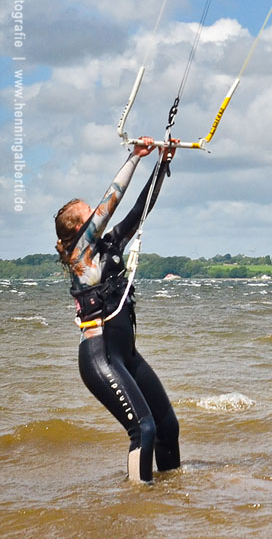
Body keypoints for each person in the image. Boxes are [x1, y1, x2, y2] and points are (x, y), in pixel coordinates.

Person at [54, 136, 180, 483]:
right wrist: (135, 157)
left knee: (168, 426)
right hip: (100, 357)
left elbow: (139, 210)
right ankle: (138, 503)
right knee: (144, 429)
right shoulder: (80, 255)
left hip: (126, 354)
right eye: (89, 213)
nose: (98, 213)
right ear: (81, 228)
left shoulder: (109, 244)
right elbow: (112, 201)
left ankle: (172, 500)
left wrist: (162, 163)